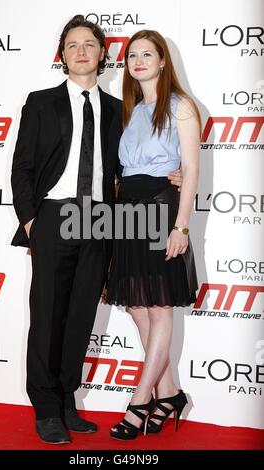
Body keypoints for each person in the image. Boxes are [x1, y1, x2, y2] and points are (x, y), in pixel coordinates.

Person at [11, 15, 183, 444]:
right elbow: (23, 168)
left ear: (103, 54)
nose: (82, 51)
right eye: (72, 45)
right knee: (47, 315)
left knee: (81, 315)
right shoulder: (39, 102)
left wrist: (174, 174)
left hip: (101, 220)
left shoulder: (117, 109)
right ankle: (46, 406)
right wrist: (32, 220)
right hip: (54, 216)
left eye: (90, 44)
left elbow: (139, 159)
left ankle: (68, 400)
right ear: (62, 56)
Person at [106, 29, 200, 440]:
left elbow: (192, 171)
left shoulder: (180, 107)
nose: (139, 61)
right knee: (138, 308)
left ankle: (140, 399)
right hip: (127, 211)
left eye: (148, 54)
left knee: (159, 307)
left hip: (161, 210)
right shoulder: (129, 111)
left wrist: (181, 225)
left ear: (163, 61)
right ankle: (171, 393)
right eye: (132, 55)